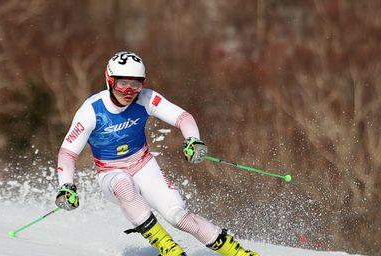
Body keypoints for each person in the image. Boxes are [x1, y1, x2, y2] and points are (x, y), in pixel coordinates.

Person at [54, 51, 259, 256]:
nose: (129, 91)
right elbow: (67, 153)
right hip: (110, 172)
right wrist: (67, 187)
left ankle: (239, 253)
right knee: (123, 185)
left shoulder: (146, 98)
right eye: (122, 83)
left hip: (143, 165)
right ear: (109, 80)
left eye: (136, 84)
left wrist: (193, 140)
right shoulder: (91, 110)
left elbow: (183, 117)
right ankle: (169, 249)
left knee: (180, 218)